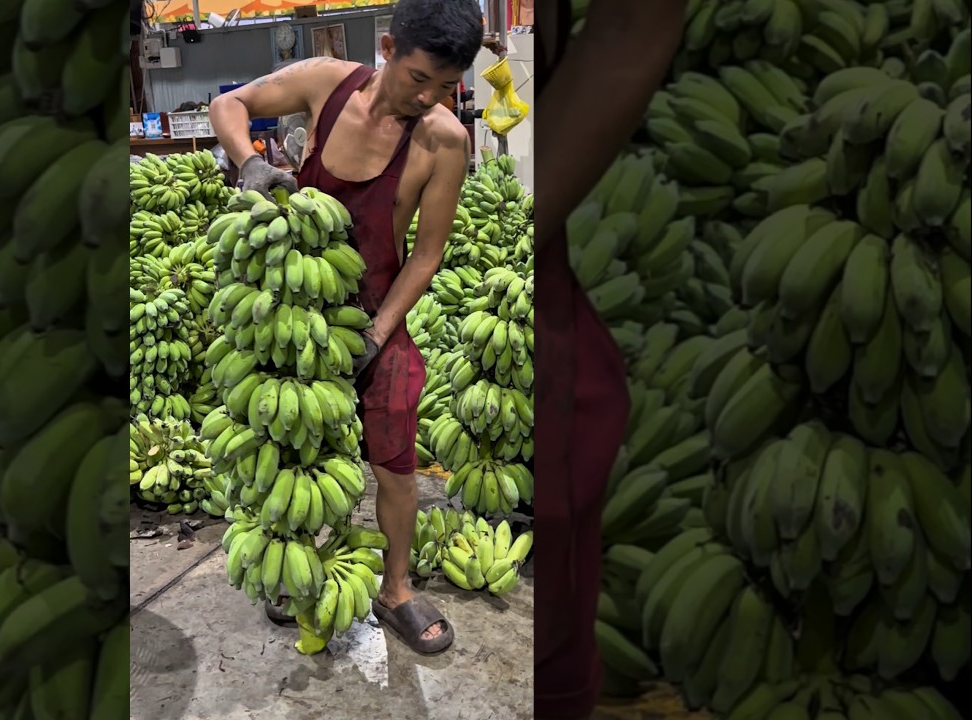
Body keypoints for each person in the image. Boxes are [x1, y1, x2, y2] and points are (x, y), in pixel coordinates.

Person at [207, 0, 483, 655]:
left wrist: (377, 333)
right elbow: (230, 106)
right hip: (294, 313)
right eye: (419, 78)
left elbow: (428, 254)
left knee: (395, 468)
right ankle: (291, 571)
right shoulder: (327, 83)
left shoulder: (445, 141)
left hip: (375, 319)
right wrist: (248, 162)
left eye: (447, 87)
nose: (429, 97)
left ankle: (395, 591)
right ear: (388, 47)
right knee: (288, 454)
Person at [530, 0, 688, 718]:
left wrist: (504, 230)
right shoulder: (327, 84)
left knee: (539, 646)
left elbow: (636, 17)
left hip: (530, 313)